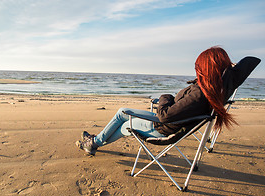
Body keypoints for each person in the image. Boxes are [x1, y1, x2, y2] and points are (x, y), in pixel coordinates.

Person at [76, 46, 261, 155]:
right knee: (124, 123)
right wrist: (227, 69)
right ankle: (94, 141)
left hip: (162, 128)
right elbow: (249, 62)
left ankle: (93, 143)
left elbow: (164, 116)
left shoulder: (200, 93)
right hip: (174, 125)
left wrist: (166, 97)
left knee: (122, 114)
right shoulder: (219, 88)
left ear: (206, 68)